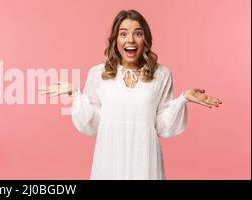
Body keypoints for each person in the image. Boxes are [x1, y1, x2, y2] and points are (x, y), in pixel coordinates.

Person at [38, 9, 222, 180]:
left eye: (138, 33)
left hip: (145, 158)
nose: (131, 40)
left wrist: (183, 98)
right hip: (109, 158)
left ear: (145, 39)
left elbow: (161, 124)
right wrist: (75, 94)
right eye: (123, 33)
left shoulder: (161, 74)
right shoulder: (98, 73)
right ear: (115, 40)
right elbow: (94, 122)